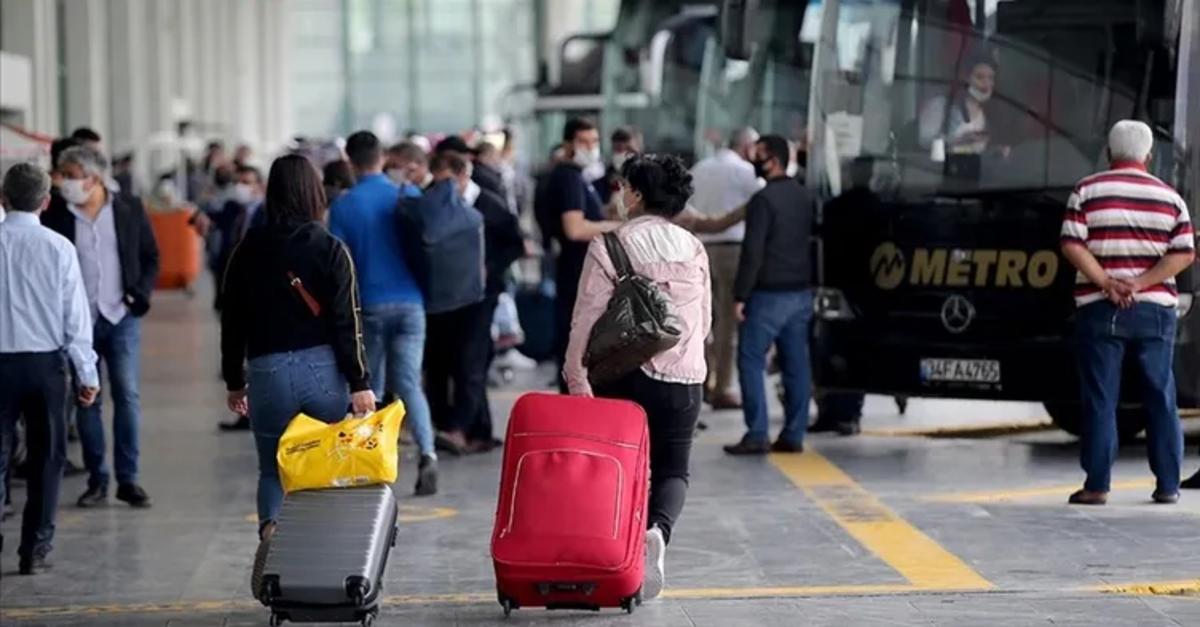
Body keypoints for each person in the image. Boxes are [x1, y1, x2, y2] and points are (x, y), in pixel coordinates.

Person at [563, 153, 711, 602]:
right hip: (685, 378)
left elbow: (586, 317)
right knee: (674, 471)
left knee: (621, 470)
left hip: (625, 377)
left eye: (625, 187)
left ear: (638, 194)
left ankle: (619, 558)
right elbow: (703, 323)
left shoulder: (611, 244)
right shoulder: (693, 246)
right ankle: (657, 532)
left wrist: (576, 374)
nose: (620, 195)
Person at [219, 154, 376, 548]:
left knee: (273, 469)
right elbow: (348, 322)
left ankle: (272, 529)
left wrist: (234, 381)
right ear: (315, 194)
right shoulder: (331, 248)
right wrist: (360, 382)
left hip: (267, 371)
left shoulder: (247, 250)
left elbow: (232, 320)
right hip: (322, 372)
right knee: (321, 465)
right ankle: (319, 549)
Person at [1060, 120, 1195, 505]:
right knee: (1160, 395)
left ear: (1109, 153)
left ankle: (1097, 485)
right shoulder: (1170, 197)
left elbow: (1072, 244)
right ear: (1149, 156)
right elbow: (1184, 253)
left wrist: (1107, 282)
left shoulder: (1086, 190)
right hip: (1155, 312)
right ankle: (1168, 485)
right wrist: (1143, 283)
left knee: (1101, 397)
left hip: (1099, 309)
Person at [42, 145, 159, 507]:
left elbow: (149, 256)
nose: (64, 183)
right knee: (86, 400)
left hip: (120, 317)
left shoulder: (128, 208)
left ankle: (129, 478)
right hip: (79, 324)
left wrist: (136, 295)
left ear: (93, 178)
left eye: (71, 176)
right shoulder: (58, 214)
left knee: (126, 394)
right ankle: (98, 479)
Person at [0, 163, 100, 575]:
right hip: (45, 367)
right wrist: (87, 373)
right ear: (46, 201)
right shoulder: (59, 247)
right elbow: (74, 318)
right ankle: (34, 549)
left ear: (3, 199)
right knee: (47, 457)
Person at [328, 131, 439, 496]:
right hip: (411, 303)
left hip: (369, 305)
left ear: (349, 160)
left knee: (368, 387)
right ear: (381, 157)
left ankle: (370, 466)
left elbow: (340, 266)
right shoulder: (405, 195)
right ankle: (428, 453)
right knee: (409, 384)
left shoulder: (343, 207)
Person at [724, 135, 816, 456]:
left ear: (773, 159)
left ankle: (757, 432)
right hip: (801, 293)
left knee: (750, 360)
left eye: (758, 155)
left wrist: (740, 295)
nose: (754, 161)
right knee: (796, 363)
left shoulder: (763, 200)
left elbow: (753, 252)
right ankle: (794, 434)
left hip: (767, 295)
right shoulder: (806, 196)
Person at [541, 118, 623, 391]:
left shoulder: (578, 177)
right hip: (576, 271)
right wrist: (618, 227)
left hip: (577, 269)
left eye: (595, 141)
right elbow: (575, 228)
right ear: (568, 145)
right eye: (583, 142)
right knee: (577, 341)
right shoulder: (569, 177)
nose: (591, 148)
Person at [688, 127, 763, 409]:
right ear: (746, 147)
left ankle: (702, 381)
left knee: (704, 322)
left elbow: (688, 206)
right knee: (730, 323)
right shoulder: (746, 172)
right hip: (733, 250)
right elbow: (762, 205)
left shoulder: (699, 168)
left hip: (700, 249)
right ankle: (724, 387)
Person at [917, 55, 1008, 157]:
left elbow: (981, 154)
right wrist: (958, 141)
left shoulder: (990, 117)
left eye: (991, 78)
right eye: (979, 77)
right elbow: (923, 144)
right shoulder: (940, 106)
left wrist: (995, 152)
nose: (986, 84)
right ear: (966, 79)